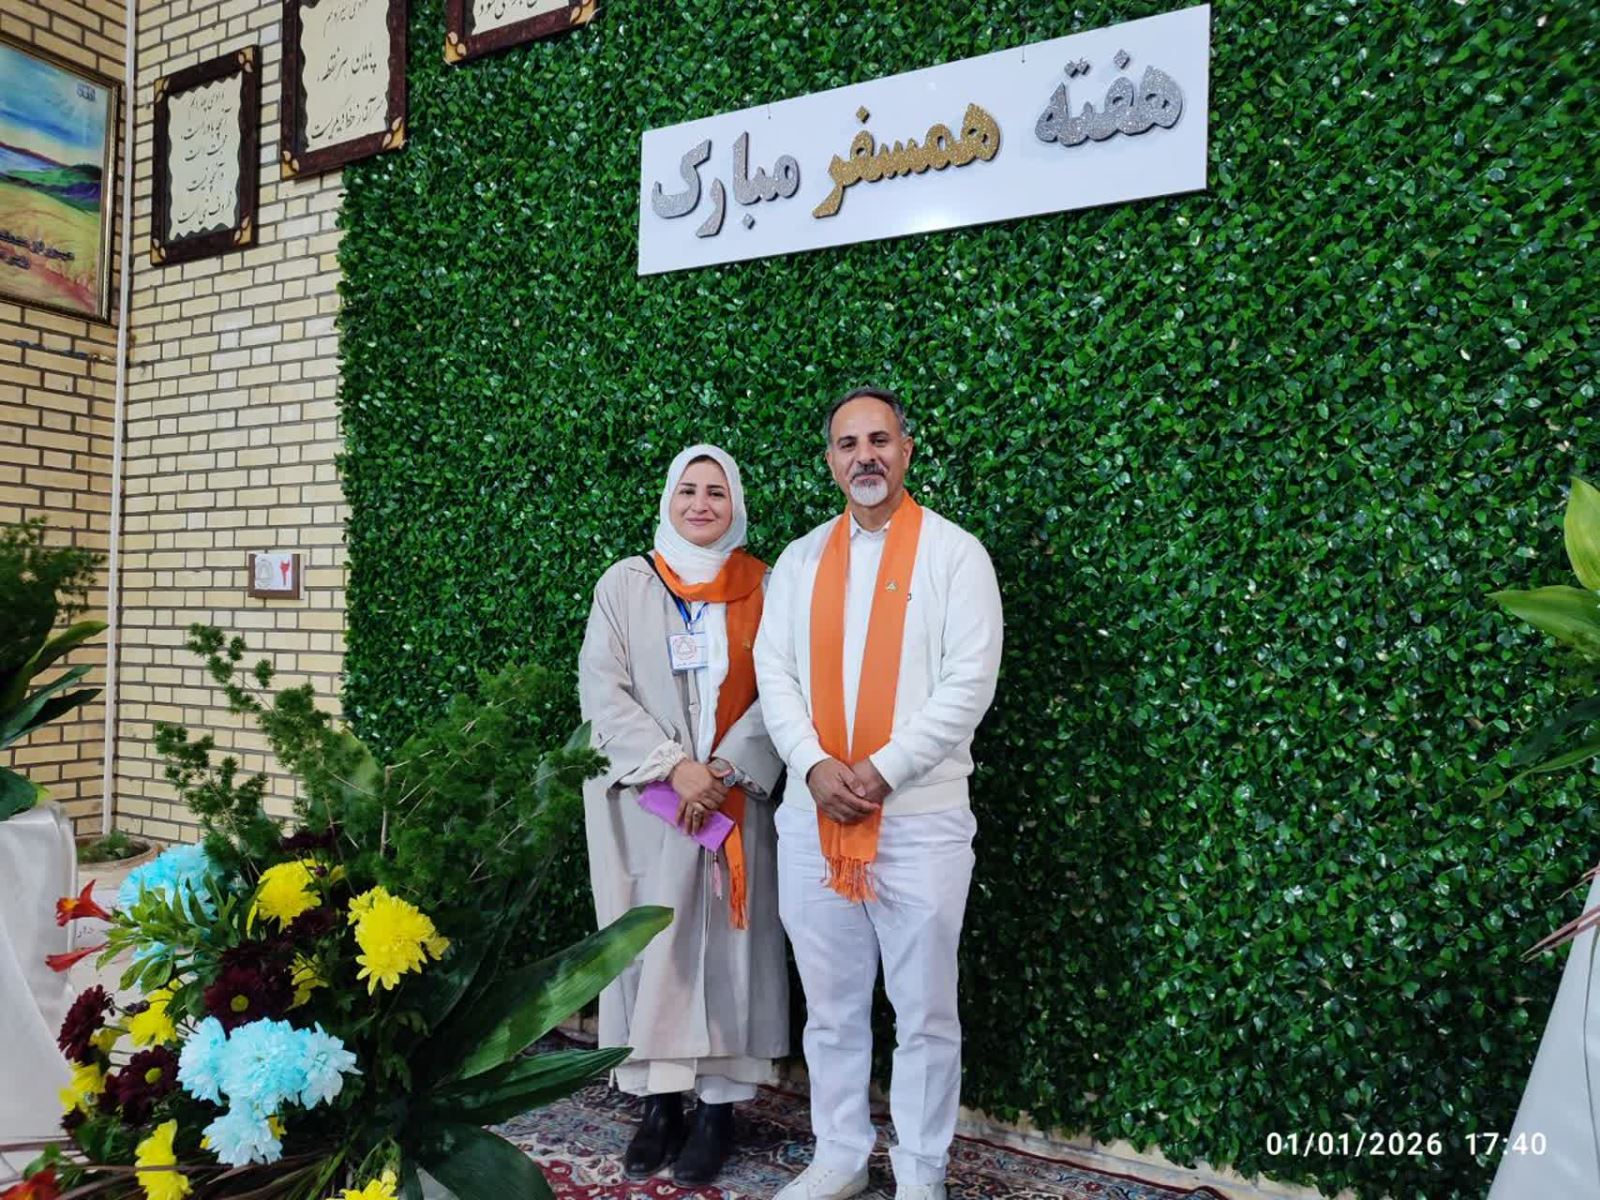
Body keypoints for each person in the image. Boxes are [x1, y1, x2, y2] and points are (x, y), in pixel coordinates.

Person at [754, 388, 1004, 1200]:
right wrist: (812, 765)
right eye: (847, 444)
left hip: (919, 821)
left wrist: (884, 769)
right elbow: (774, 673)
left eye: (879, 440)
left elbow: (968, 683)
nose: (864, 455)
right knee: (829, 1007)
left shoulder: (955, 555)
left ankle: (922, 1172)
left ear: (906, 450)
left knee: (925, 1011)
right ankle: (841, 1155)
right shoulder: (800, 561)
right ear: (831, 461)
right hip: (814, 819)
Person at [579, 444, 787, 1187]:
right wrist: (675, 767)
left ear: (737, 506)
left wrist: (722, 768)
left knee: (731, 953)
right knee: (652, 943)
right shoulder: (625, 583)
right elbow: (602, 689)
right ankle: (658, 1106)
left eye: (717, 492)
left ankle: (717, 1111)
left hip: (732, 798)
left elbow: (785, 689)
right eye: (689, 490)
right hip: (648, 803)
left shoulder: (766, 585)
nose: (701, 504)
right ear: (669, 499)